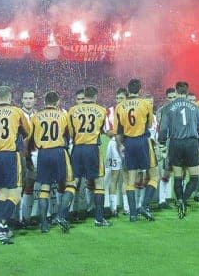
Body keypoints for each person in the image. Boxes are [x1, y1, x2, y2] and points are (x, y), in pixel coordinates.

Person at [0, 86, 32, 243]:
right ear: (10, 97)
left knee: (3, 192)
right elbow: (27, 132)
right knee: (16, 192)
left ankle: (3, 228)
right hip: (11, 155)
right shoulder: (17, 112)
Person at [27, 91, 75, 233]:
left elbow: (29, 140)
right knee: (70, 184)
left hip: (43, 153)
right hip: (58, 151)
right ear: (57, 102)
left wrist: (28, 157)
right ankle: (60, 216)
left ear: (44, 102)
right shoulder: (63, 115)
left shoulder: (36, 116)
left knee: (45, 187)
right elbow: (69, 135)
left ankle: (43, 224)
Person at [113, 79, 157, 222]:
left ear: (128, 89)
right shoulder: (145, 104)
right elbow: (150, 124)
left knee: (130, 180)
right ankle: (144, 206)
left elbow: (118, 132)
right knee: (154, 176)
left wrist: (121, 145)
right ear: (140, 90)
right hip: (143, 141)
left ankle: (133, 214)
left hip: (129, 143)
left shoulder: (120, 107)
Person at [68, 86, 110, 227]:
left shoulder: (73, 110)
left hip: (77, 148)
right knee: (99, 183)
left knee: (73, 183)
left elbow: (70, 132)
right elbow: (103, 130)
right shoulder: (101, 110)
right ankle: (99, 219)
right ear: (96, 96)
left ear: (84, 95)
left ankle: (61, 215)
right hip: (92, 149)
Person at [159, 81, 199, 219]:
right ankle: (183, 199)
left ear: (176, 91)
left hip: (176, 143)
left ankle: (179, 201)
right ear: (187, 92)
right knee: (194, 177)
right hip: (191, 143)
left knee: (178, 176)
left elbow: (163, 128)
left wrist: (162, 143)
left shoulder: (168, 107)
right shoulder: (195, 107)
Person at [104, 88, 128, 217]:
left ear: (126, 98)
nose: (119, 101)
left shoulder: (130, 110)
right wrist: (122, 132)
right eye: (117, 98)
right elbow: (108, 132)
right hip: (114, 145)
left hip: (127, 145)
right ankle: (113, 208)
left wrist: (117, 131)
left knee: (126, 177)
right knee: (114, 176)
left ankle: (126, 208)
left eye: (121, 98)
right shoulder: (110, 111)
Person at [155, 87, 177, 209]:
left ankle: (179, 198)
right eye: (170, 97)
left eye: (174, 97)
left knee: (181, 170)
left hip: (179, 142)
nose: (172, 100)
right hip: (168, 143)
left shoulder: (180, 109)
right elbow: (162, 128)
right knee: (167, 170)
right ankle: (162, 200)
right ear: (166, 98)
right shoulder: (161, 111)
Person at [19, 90, 38, 225]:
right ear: (22, 100)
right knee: (21, 185)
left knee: (31, 185)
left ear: (35, 100)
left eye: (30, 98)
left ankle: (27, 216)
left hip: (37, 154)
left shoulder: (38, 115)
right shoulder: (18, 115)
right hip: (22, 155)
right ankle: (19, 217)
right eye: (26, 98)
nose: (28, 101)